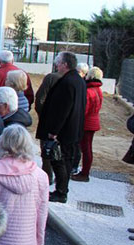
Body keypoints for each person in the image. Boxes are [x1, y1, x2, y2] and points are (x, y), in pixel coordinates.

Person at [36, 51, 86, 203]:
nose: (56, 65)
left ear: (64, 64)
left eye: (58, 63)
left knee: (60, 161)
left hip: (63, 132)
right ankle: (62, 189)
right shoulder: (78, 80)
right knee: (66, 160)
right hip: (73, 129)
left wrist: (53, 132)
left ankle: (61, 192)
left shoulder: (67, 82)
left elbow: (63, 109)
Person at [34, 64, 63, 184]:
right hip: (66, 122)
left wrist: (43, 115)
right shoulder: (77, 79)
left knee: (47, 149)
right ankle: (61, 179)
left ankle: (47, 177)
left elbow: (40, 98)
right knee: (63, 151)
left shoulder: (51, 78)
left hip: (49, 120)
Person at [74, 66, 103, 181]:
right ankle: (85, 171)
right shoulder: (98, 90)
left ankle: (84, 173)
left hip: (86, 123)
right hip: (93, 121)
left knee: (85, 149)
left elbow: (84, 109)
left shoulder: (89, 91)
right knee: (88, 148)